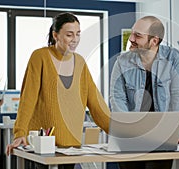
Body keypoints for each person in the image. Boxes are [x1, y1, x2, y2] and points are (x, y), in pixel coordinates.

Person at [6, 12, 110, 169]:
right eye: (69, 35)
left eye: (78, 34)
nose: (75, 39)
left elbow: (96, 104)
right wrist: (20, 133)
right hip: (42, 146)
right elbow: (28, 99)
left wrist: (119, 132)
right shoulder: (40, 57)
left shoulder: (80, 62)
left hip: (71, 147)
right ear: (55, 35)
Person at [110, 16, 179, 169]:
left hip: (162, 136)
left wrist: (176, 133)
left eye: (137, 35)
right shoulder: (122, 61)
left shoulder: (175, 59)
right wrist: (127, 131)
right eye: (132, 33)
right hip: (131, 136)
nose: (131, 39)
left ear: (154, 41)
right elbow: (117, 98)